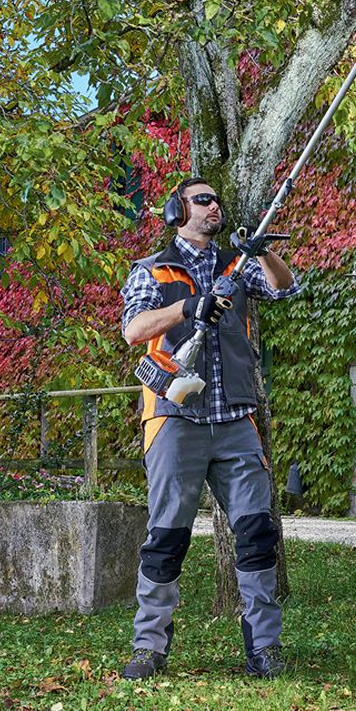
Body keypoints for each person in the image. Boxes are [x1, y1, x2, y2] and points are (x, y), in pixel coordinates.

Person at [119, 176, 300, 680]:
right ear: (177, 211)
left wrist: (262, 252)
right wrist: (187, 306)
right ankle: (149, 647)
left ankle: (263, 647)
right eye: (203, 199)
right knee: (166, 537)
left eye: (216, 199)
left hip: (235, 418)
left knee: (257, 533)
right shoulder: (152, 269)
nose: (214, 205)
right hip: (175, 419)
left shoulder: (235, 266)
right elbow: (134, 329)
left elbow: (285, 288)